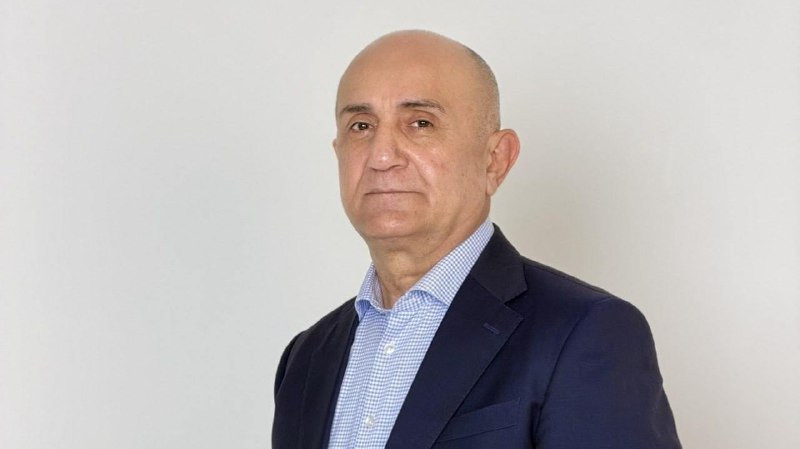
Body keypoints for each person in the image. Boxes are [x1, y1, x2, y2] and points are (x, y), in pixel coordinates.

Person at [272, 30, 681, 449]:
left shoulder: (585, 333)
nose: (381, 156)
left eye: (420, 123)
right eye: (361, 126)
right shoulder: (306, 360)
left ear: (495, 160)